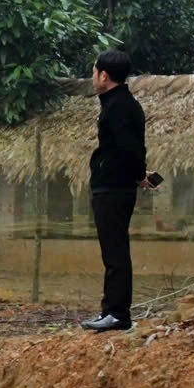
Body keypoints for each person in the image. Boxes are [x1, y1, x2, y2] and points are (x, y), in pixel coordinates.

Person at [83, 50, 150, 333]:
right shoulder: (119, 104)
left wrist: (136, 174)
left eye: (94, 72)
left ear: (104, 75)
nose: (93, 77)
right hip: (112, 186)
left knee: (115, 252)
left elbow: (130, 148)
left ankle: (117, 313)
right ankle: (111, 309)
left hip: (113, 189)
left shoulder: (118, 107)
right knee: (113, 251)